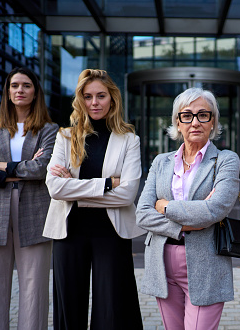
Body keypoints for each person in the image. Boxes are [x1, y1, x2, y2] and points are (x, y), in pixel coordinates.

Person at [43, 69, 145, 329]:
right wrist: (108, 184)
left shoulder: (129, 140)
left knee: (113, 311)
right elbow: (55, 188)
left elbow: (127, 194)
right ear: (80, 100)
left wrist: (74, 189)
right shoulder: (65, 137)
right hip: (69, 232)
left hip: (111, 233)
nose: (94, 103)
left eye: (101, 96)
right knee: (69, 310)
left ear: (112, 98)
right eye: (88, 97)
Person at [136, 87, 240, 330]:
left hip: (206, 262)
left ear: (213, 121)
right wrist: (188, 220)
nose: (195, 122)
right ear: (177, 122)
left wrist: (165, 207)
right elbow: (142, 213)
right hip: (162, 263)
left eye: (203, 114)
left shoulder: (226, 160)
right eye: (187, 115)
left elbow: (214, 211)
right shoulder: (161, 161)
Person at [0, 67, 58, 330]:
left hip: (34, 213)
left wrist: (1, 166)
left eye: (26, 86)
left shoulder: (49, 130)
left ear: (35, 92)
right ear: (8, 92)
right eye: (14, 85)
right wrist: (19, 169)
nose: (20, 90)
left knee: (35, 287)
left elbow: (42, 168)